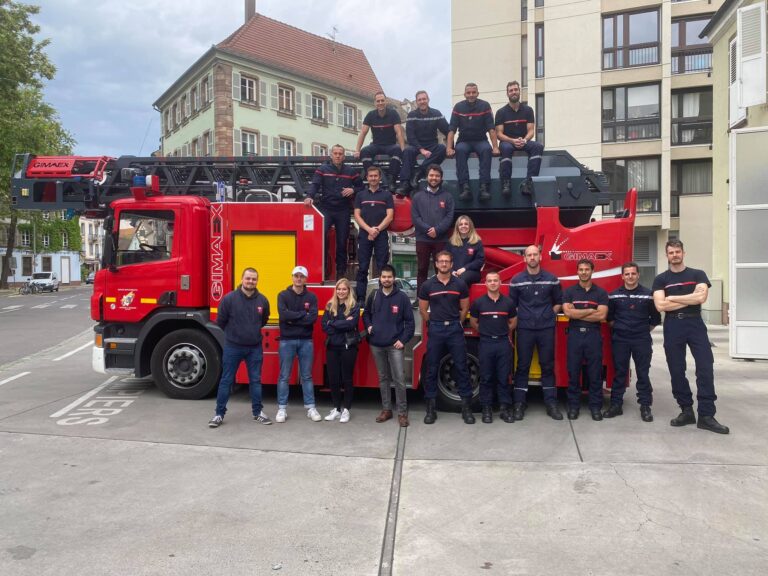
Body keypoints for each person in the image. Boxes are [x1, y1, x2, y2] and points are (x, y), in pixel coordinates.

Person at [652, 240, 729, 434]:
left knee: (705, 367)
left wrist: (673, 298)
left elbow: (701, 298)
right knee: (676, 369)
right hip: (673, 325)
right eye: (671, 252)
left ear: (683, 253)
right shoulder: (661, 279)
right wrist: (688, 298)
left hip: (695, 324)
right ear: (666, 255)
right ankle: (686, 410)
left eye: (678, 251)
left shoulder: (697, 274)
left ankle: (706, 415)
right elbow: (661, 306)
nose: (675, 255)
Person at [208, 268, 271, 428]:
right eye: (248, 278)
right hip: (233, 347)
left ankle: (257, 413)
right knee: (226, 380)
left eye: (254, 279)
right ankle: (219, 414)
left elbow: (263, 320)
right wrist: (235, 334)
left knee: (255, 381)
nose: (251, 282)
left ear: (257, 281)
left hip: (254, 348)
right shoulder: (229, 299)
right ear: (242, 279)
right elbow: (220, 321)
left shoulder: (262, 300)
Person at [418, 250, 474, 425]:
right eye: (440, 261)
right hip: (435, 330)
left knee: (462, 367)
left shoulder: (460, 284)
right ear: (436, 264)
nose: (443, 264)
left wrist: (456, 321)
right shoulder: (427, 285)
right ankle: (430, 409)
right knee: (432, 369)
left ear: (451, 264)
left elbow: (465, 308)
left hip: (454, 330)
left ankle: (466, 409)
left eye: (446, 261)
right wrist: (434, 322)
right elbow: (422, 310)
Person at [509, 245, 563, 421]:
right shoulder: (516, 280)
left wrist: (548, 315)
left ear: (540, 256)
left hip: (546, 329)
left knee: (547, 366)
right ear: (524, 258)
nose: (532, 257)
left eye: (535, 254)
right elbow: (512, 306)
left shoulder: (552, 279)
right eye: (528, 255)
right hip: (524, 329)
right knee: (522, 366)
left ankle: (551, 404)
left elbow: (558, 302)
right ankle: (519, 403)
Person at [606, 262, 661, 422]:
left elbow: (655, 319)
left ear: (638, 275)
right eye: (627, 274)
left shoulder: (648, 294)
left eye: (633, 273)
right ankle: (616, 405)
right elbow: (610, 319)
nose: (630, 276)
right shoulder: (614, 295)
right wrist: (622, 329)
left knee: (643, 373)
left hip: (641, 339)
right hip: (620, 339)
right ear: (622, 276)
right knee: (620, 372)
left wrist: (641, 330)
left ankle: (645, 406)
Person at [363, 264, 416, 427]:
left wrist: (403, 340)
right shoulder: (374, 295)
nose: (386, 279)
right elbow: (366, 314)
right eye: (384, 277)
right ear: (380, 278)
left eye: (389, 277)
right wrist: (369, 326)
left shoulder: (402, 297)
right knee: (383, 378)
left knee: (399, 379)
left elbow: (410, 322)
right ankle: (386, 410)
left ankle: (402, 413)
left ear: (394, 278)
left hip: (395, 346)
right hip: (376, 345)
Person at [305, 145, 363, 280]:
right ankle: (323, 270)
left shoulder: (350, 171)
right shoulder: (322, 170)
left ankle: (341, 273)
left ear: (344, 156)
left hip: (343, 210)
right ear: (331, 155)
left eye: (340, 153)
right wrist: (309, 196)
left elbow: (361, 186)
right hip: (326, 208)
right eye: (335, 153)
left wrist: (353, 189)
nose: (338, 156)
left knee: (342, 242)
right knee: (321, 239)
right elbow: (315, 185)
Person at [562, 259, 609, 421]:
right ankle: (573, 407)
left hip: (593, 335)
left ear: (592, 271)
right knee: (573, 372)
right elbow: (568, 314)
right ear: (577, 271)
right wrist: (590, 310)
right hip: (574, 334)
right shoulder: (569, 292)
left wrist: (579, 312)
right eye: (581, 269)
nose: (583, 272)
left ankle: (595, 407)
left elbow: (602, 315)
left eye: (586, 269)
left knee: (594, 373)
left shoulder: (601, 293)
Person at [469, 271, 517, 423]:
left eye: (495, 280)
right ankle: (487, 409)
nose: (493, 283)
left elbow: (513, 322)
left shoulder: (508, 303)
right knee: (486, 378)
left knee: (504, 377)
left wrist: (502, 332)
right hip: (486, 343)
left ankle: (504, 409)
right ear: (486, 283)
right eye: (489, 281)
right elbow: (474, 322)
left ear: (500, 282)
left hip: (503, 343)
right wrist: (485, 332)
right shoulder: (478, 303)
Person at [275, 265, 321, 423]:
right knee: (284, 376)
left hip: (306, 341)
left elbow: (313, 318)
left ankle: (311, 407)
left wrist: (292, 319)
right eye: (296, 276)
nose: (299, 279)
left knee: (307, 376)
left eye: (302, 276)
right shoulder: (283, 295)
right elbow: (283, 315)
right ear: (292, 277)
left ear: (306, 279)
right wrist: (303, 315)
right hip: (286, 340)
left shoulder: (312, 297)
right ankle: (281, 409)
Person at [446, 82, 499, 202]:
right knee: (459, 150)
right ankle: (465, 188)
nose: (471, 95)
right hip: (464, 141)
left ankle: (484, 188)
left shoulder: (485, 106)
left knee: (487, 149)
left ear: (478, 93)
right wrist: (449, 148)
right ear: (464, 94)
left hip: (481, 140)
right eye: (468, 93)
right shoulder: (458, 107)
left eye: (473, 92)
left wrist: (495, 147)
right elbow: (451, 130)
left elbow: (491, 128)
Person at [495, 80, 544, 197]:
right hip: (507, 142)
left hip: (524, 140)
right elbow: (499, 134)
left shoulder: (528, 110)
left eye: (516, 90)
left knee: (538, 146)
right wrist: (512, 140)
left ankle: (529, 182)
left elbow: (531, 130)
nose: (513, 92)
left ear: (519, 91)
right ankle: (506, 183)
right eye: (511, 90)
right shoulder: (501, 112)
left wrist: (525, 140)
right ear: (507, 93)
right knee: (505, 149)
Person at [321, 278, 360, 423]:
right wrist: (342, 322)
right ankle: (336, 408)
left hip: (348, 348)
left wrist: (333, 323)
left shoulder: (354, 306)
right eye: (339, 289)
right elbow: (324, 325)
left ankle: (346, 409)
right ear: (335, 290)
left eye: (344, 289)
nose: (341, 291)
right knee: (333, 379)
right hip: (332, 347)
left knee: (347, 379)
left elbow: (351, 325)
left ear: (349, 290)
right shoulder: (330, 305)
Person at [353, 165, 394, 303]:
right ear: (367, 178)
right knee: (363, 267)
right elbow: (357, 215)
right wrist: (369, 230)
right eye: (371, 176)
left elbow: (390, 216)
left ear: (380, 177)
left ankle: (383, 297)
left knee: (382, 266)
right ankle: (360, 299)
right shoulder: (360, 195)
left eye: (376, 176)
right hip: (365, 235)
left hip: (381, 235)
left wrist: (376, 230)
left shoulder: (387, 195)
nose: (373, 178)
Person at [397, 90, 449, 196]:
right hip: (416, 145)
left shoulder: (436, 113)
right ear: (416, 102)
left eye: (424, 99)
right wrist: (422, 150)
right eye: (419, 100)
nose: (422, 101)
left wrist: (451, 147)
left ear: (428, 100)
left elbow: (447, 131)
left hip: (432, 145)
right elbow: (410, 136)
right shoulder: (412, 115)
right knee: (407, 151)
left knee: (442, 149)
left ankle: (419, 172)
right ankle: (405, 184)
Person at [410, 164, 454, 289]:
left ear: (441, 178)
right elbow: (415, 217)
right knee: (422, 268)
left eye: (437, 176)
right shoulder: (417, 197)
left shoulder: (448, 197)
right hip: (422, 239)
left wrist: (437, 230)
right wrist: (428, 230)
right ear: (427, 177)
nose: (434, 178)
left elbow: (449, 217)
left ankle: (441, 294)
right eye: (431, 175)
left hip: (441, 239)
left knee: (441, 269)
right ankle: (421, 297)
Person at [355, 91, 405, 188]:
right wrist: (357, 150)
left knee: (398, 150)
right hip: (376, 145)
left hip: (390, 145)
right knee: (364, 151)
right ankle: (371, 177)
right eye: (378, 101)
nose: (380, 103)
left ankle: (391, 180)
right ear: (375, 103)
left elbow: (399, 133)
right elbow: (363, 133)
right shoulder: (370, 115)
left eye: (382, 100)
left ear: (386, 102)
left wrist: (403, 149)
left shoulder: (393, 114)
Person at [447, 214, 485, 287]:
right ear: (457, 227)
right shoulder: (451, 242)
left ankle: (462, 298)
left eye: (466, 224)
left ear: (470, 226)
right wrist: (451, 271)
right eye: (460, 224)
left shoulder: (477, 241)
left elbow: (480, 260)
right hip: (454, 272)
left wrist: (465, 268)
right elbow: (446, 258)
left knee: (461, 279)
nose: (463, 226)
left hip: (472, 272)